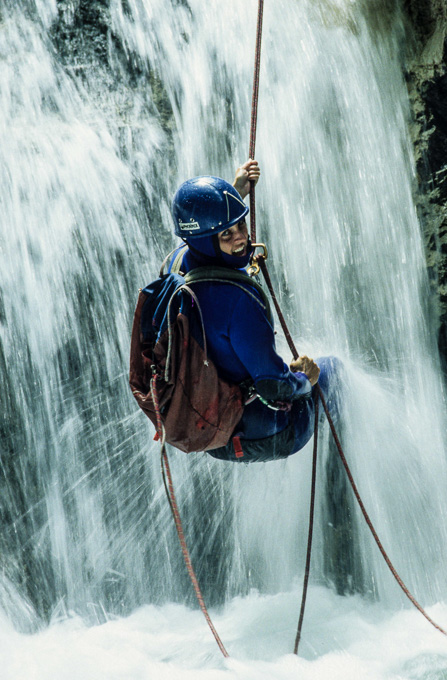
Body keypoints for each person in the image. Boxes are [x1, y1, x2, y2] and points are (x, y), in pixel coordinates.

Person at [168, 160, 342, 462]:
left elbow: (204, 231)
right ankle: (337, 474)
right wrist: (306, 380)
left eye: (240, 225)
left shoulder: (175, 266)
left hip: (210, 432)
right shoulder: (238, 303)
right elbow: (276, 386)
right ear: (206, 241)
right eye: (226, 234)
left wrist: (235, 193)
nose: (241, 238)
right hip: (267, 433)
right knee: (335, 371)